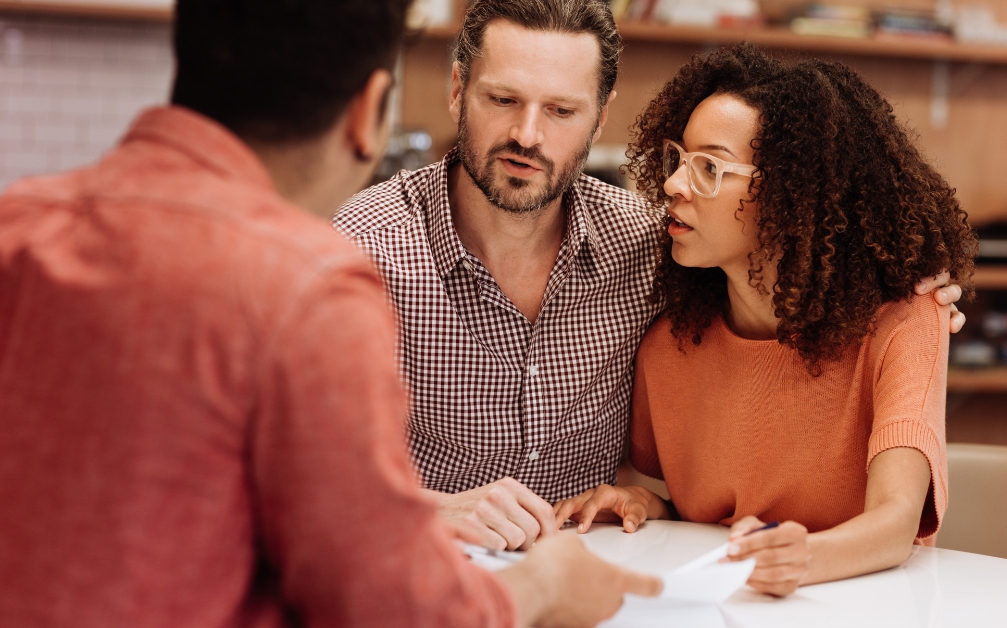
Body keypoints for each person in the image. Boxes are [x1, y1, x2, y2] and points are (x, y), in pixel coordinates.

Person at [0, 0, 659, 626]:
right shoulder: (307, 284)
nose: (526, 132)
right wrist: (545, 587)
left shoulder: (18, 224)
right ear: (371, 109)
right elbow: (390, 608)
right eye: (504, 99)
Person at [334, 0, 968, 552]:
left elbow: (799, 240)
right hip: (420, 576)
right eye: (503, 100)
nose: (526, 134)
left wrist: (917, 288)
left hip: (599, 576)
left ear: (601, 117)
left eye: (560, 110)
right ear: (456, 89)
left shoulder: (649, 245)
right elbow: (286, 472)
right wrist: (429, 510)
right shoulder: (366, 246)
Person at [554, 45, 978, 597]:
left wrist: (799, 556)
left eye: (709, 167)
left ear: (790, 194)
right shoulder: (668, 347)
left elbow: (895, 524)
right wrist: (646, 503)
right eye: (678, 159)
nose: (675, 185)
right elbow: (701, 511)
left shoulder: (906, 323)